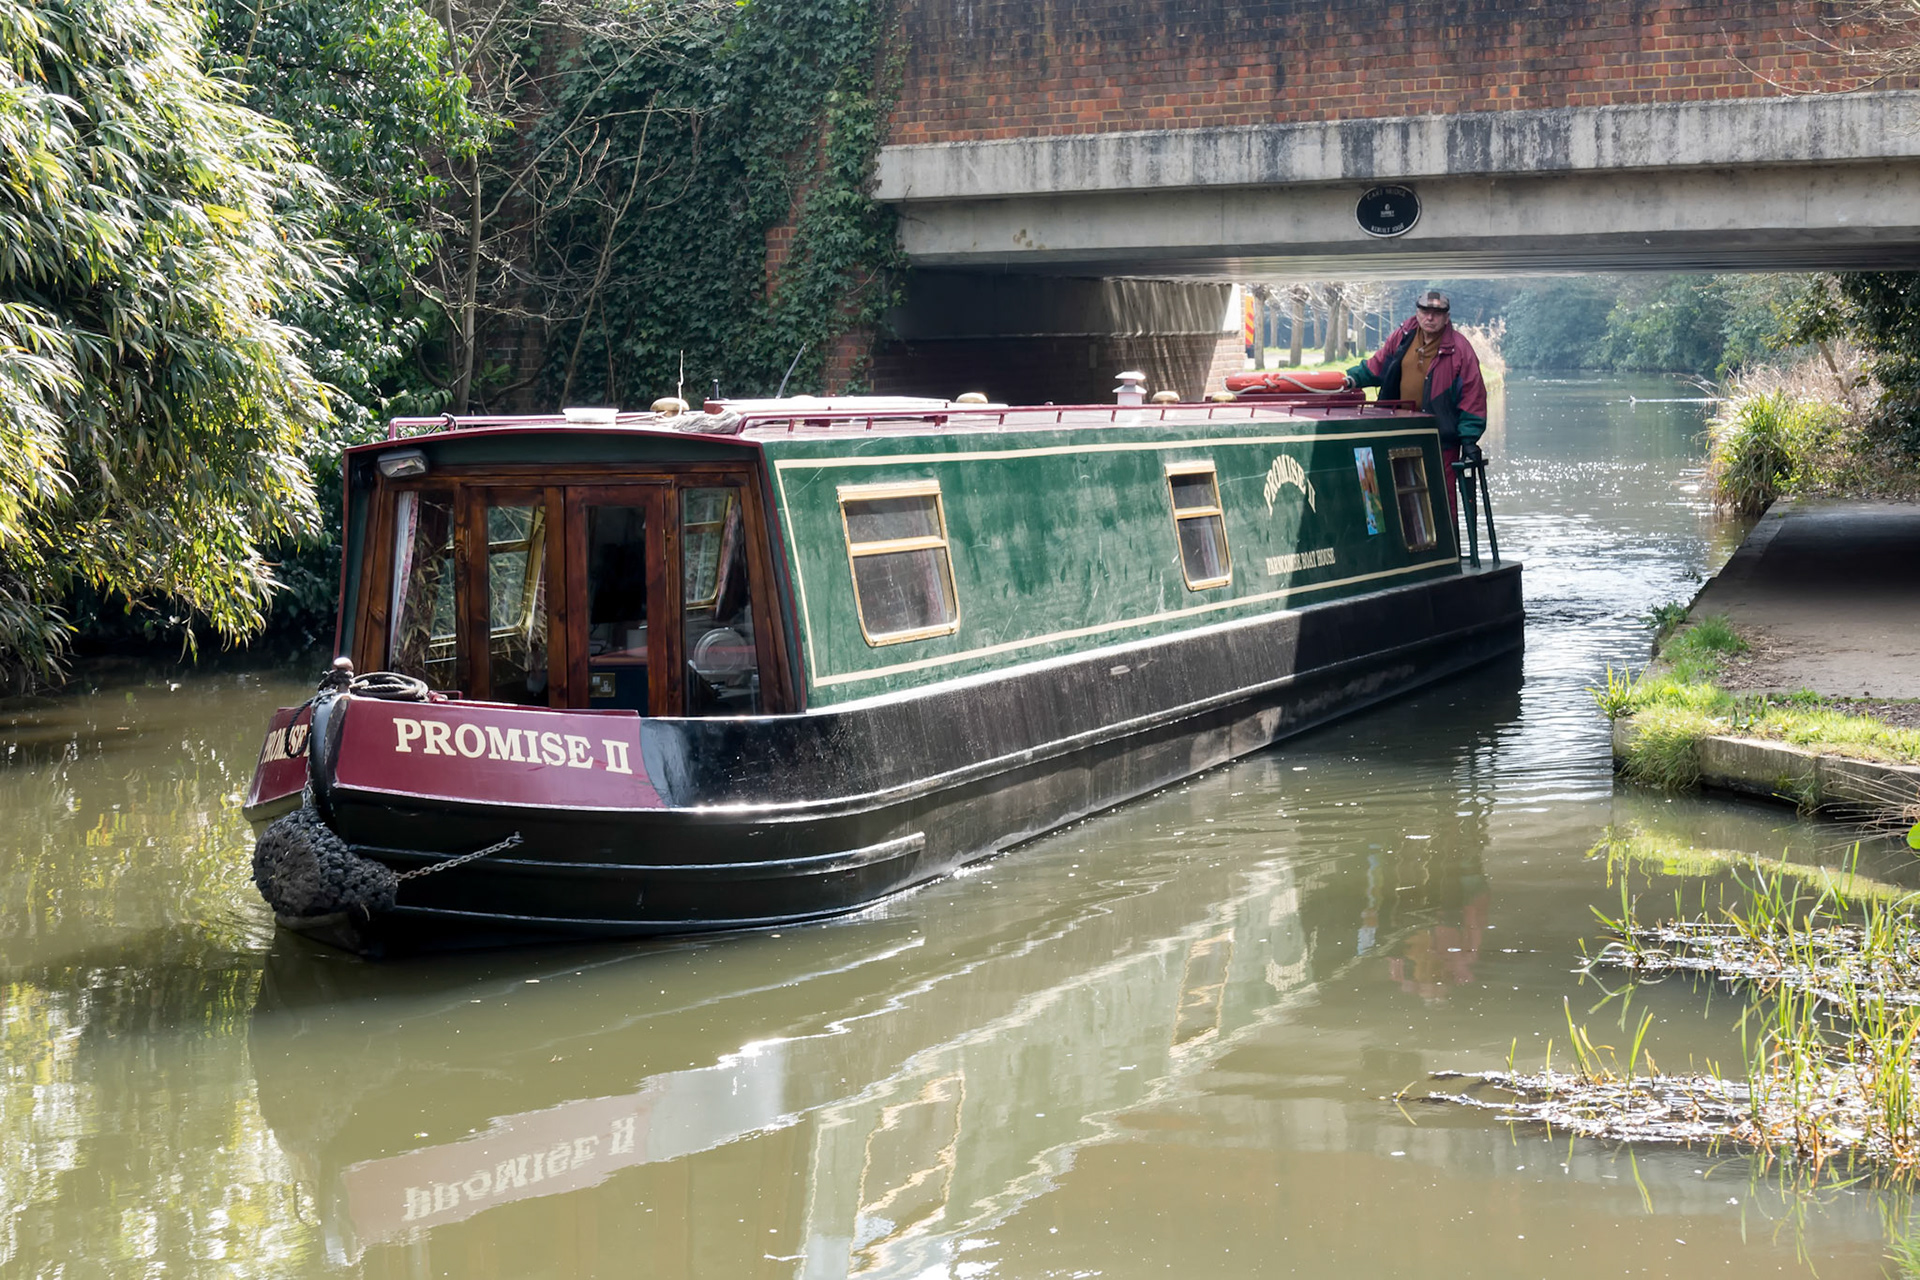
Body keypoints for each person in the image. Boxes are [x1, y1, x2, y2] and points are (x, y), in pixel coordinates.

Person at [1341, 290, 1487, 522]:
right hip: (1399, 433)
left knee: (1442, 497)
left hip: (1440, 438)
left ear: (1446, 317)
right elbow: (1378, 365)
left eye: (1437, 313)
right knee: (1397, 495)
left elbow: (1473, 395)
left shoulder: (1460, 349)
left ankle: (1447, 554)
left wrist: (1469, 440)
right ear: (1417, 313)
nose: (1430, 318)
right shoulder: (1402, 337)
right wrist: (1350, 379)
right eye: (1425, 312)